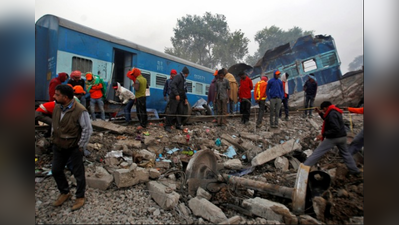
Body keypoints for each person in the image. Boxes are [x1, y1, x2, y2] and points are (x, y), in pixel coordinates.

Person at [51, 84, 93, 211]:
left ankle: (80, 197)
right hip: (58, 145)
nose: (54, 96)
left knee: (78, 173)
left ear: (65, 97)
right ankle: (65, 192)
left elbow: (87, 129)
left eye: (57, 95)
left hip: (73, 147)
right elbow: (55, 124)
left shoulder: (80, 110)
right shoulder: (57, 107)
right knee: (56, 170)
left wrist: (80, 146)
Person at [304, 101, 360, 176]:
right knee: (346, 154)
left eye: (323, 110)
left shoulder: (331, 114)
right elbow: (326, 119)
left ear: (325, 107)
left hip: (334, 138)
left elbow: (335, 128)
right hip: (342, 137)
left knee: (318, 153)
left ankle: (304, 168)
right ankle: (355, 171)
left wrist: (323, 134)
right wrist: (319, 112)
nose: (323, 111)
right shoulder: (335, 111)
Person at [164, 66, 190, 133]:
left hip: (180, 99)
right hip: (174, 98)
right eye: (187, 74)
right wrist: (176, 94)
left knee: (180, 111)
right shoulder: (178, 77)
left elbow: (183, 90)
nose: (187, 75)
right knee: (172, 111)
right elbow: (173, 85)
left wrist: (185, 98)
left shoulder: (183, 79)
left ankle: (178, 124)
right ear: (186, 73)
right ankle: (167, 125)